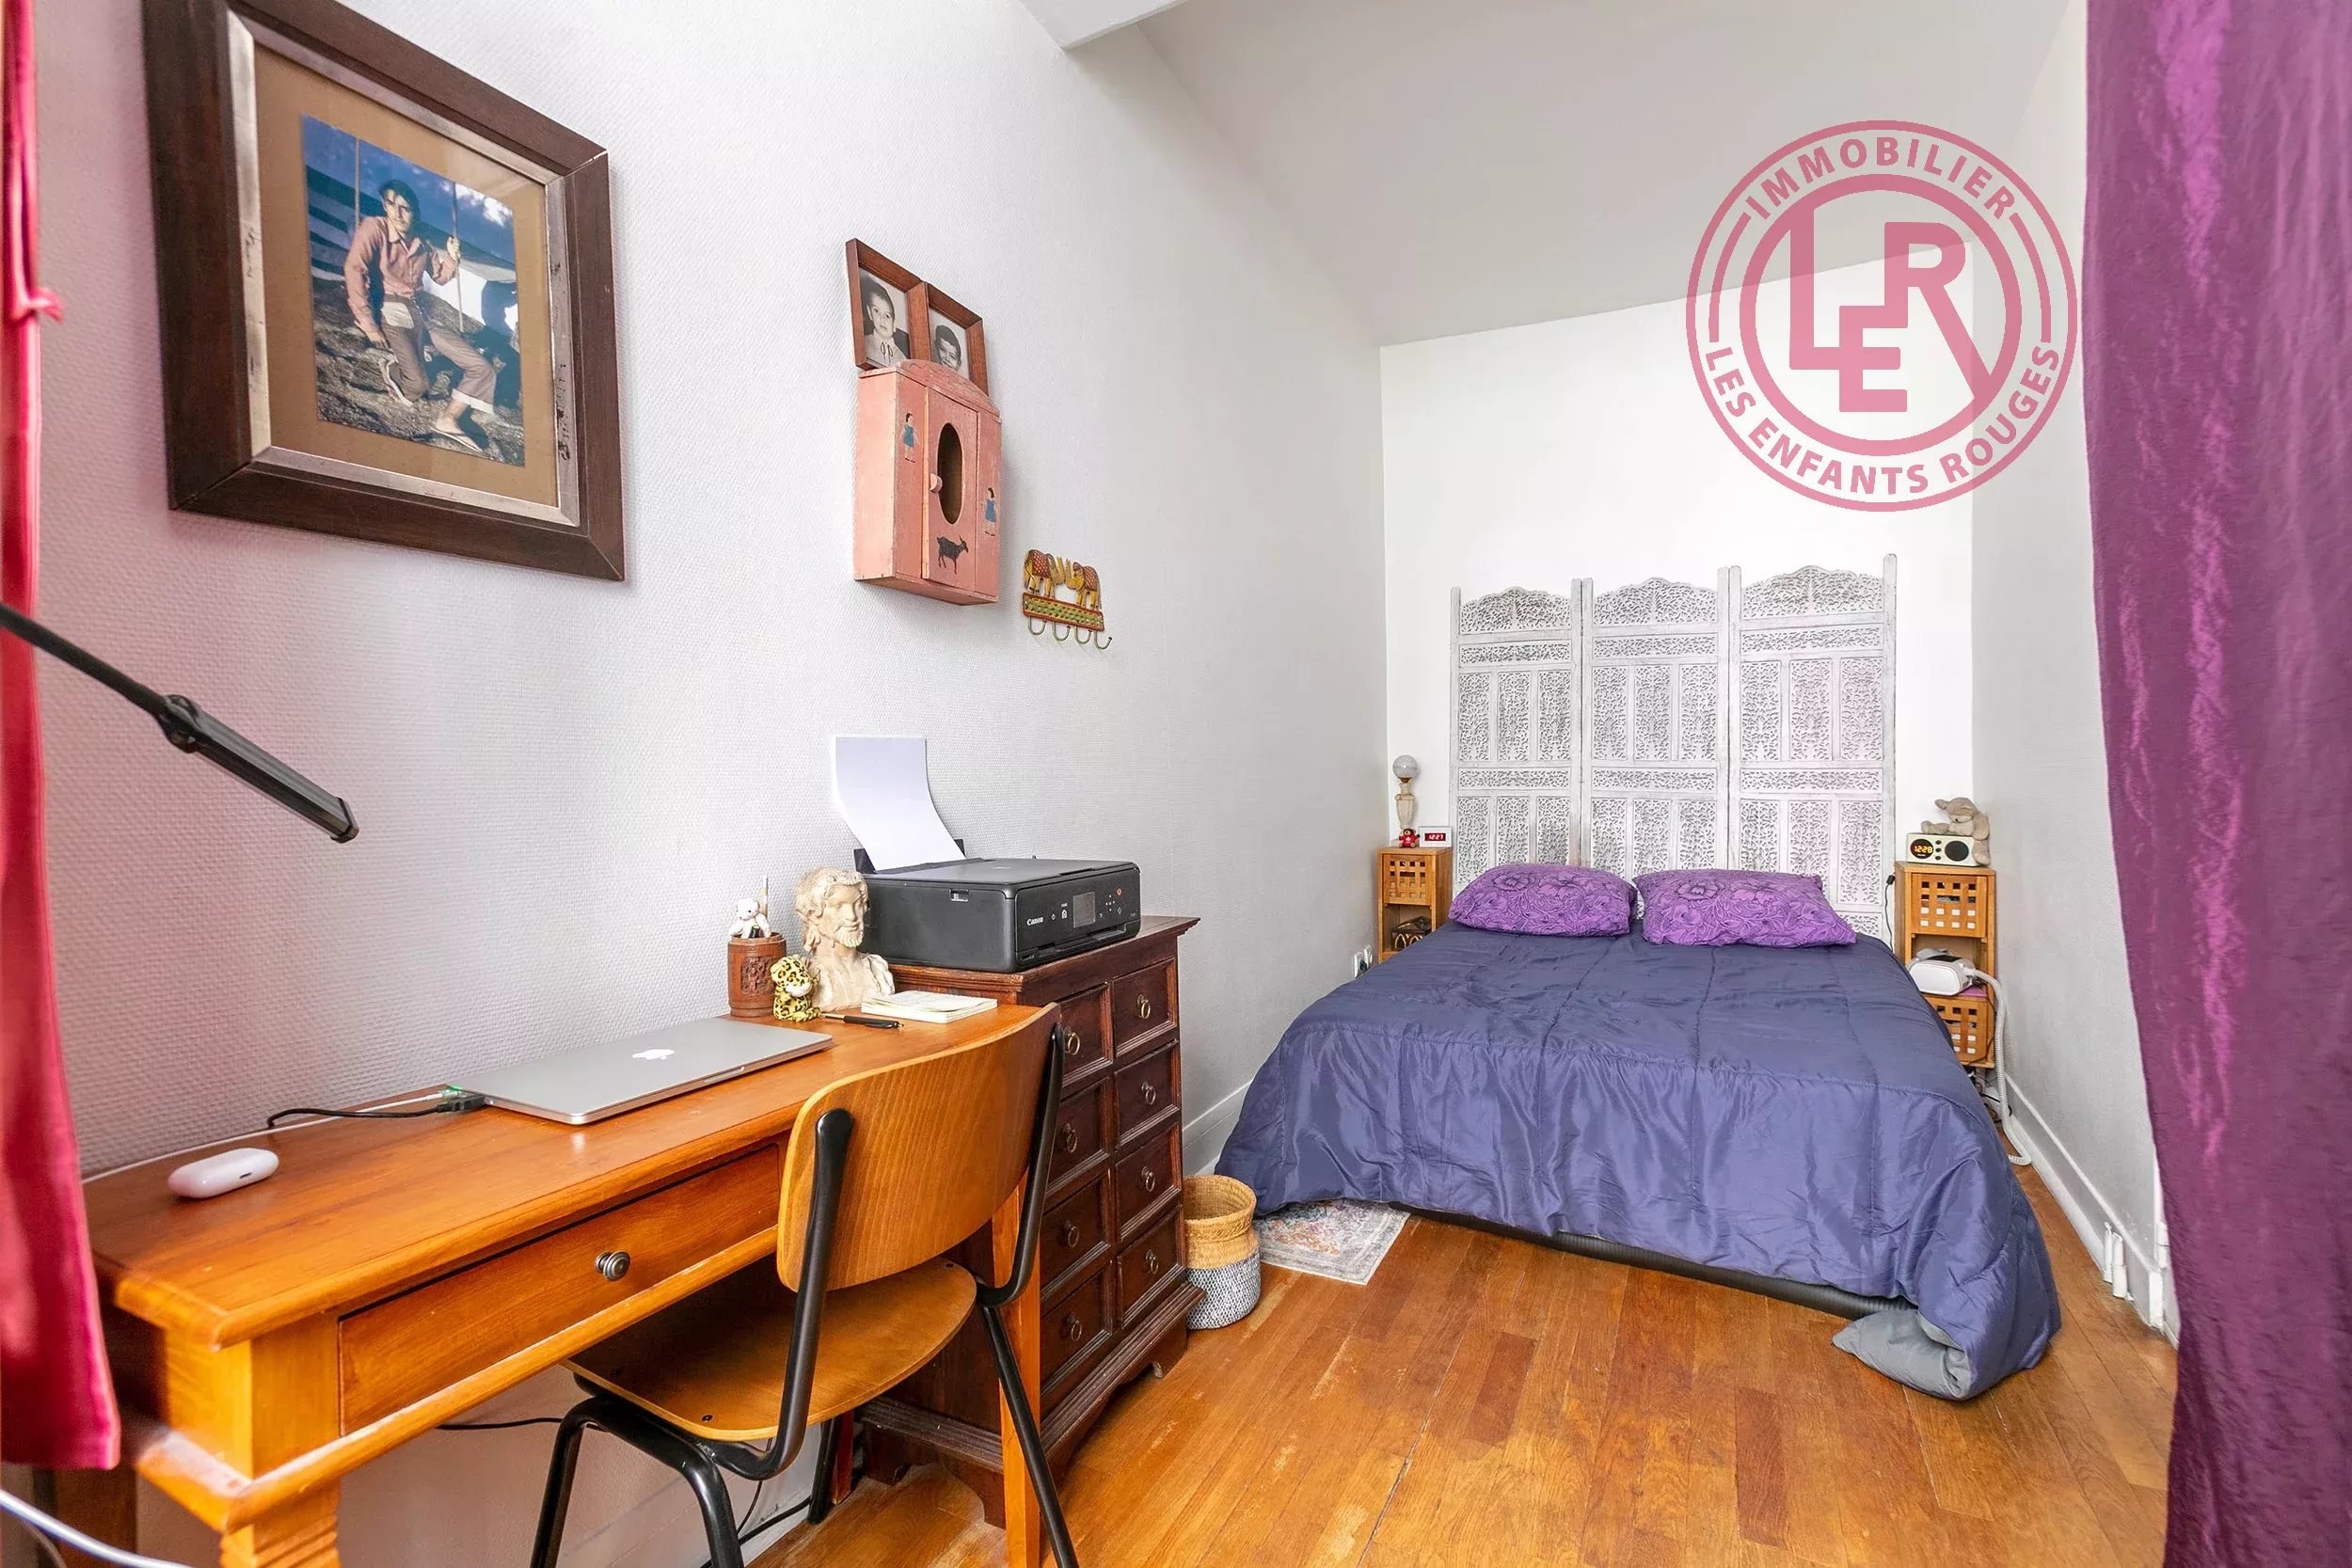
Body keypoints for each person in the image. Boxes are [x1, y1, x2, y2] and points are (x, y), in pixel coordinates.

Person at [342, 178, 498, 454]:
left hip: (420, 312)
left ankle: (448, 419)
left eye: (405, 208)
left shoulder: (421, 240)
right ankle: (392, 368)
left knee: (482, 367)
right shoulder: (374, 228)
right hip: (388, 306)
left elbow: (439, 277)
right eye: (391, 204)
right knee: (418, 386)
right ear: (384, 205)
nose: (398, 214)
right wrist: (368, 324)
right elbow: (354, 269)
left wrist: (452, 258)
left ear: (415, 212)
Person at [860, 275, 910, 365]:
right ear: (870, 313)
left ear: (894, 324)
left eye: (887, 316)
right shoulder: (864, 344)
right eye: (876, 311)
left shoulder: (902, 358)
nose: (882, 319)